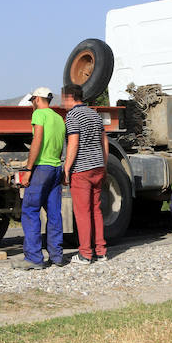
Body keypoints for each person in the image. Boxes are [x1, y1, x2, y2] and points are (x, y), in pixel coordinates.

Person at [13, 87, 67, 270]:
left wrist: (28, 169)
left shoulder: (39, 115)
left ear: (36, 99)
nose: (32, 105)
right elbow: (61, 145)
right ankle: (57, 256)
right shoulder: (59, 118)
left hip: (42, 168)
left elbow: (37, 141)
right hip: (55, 167)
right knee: (53, 213)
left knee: (30, 210)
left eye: (32, 101)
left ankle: (34, 258)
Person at [61, 84, 109, 264]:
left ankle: (85, 254)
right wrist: (104, 165)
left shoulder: (72, 116)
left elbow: (73, 143)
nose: (62, 102)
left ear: (69, 97)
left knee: (82, 212)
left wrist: (66, 168)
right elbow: (104, 141)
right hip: (98, 167)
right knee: (96, 210)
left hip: (81, 169)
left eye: (63, 98)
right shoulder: (94, 114)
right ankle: (101, 251)